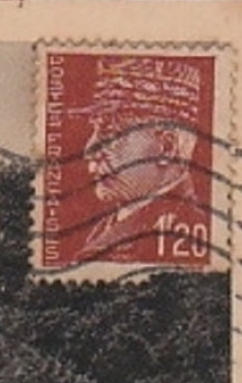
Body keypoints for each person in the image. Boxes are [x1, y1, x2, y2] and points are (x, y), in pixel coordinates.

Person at [72, 56, 212, 264]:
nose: (90, 149)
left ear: (166, 148)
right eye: (94, 130)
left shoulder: (183, 231)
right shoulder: (103, 229)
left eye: (110, 132)